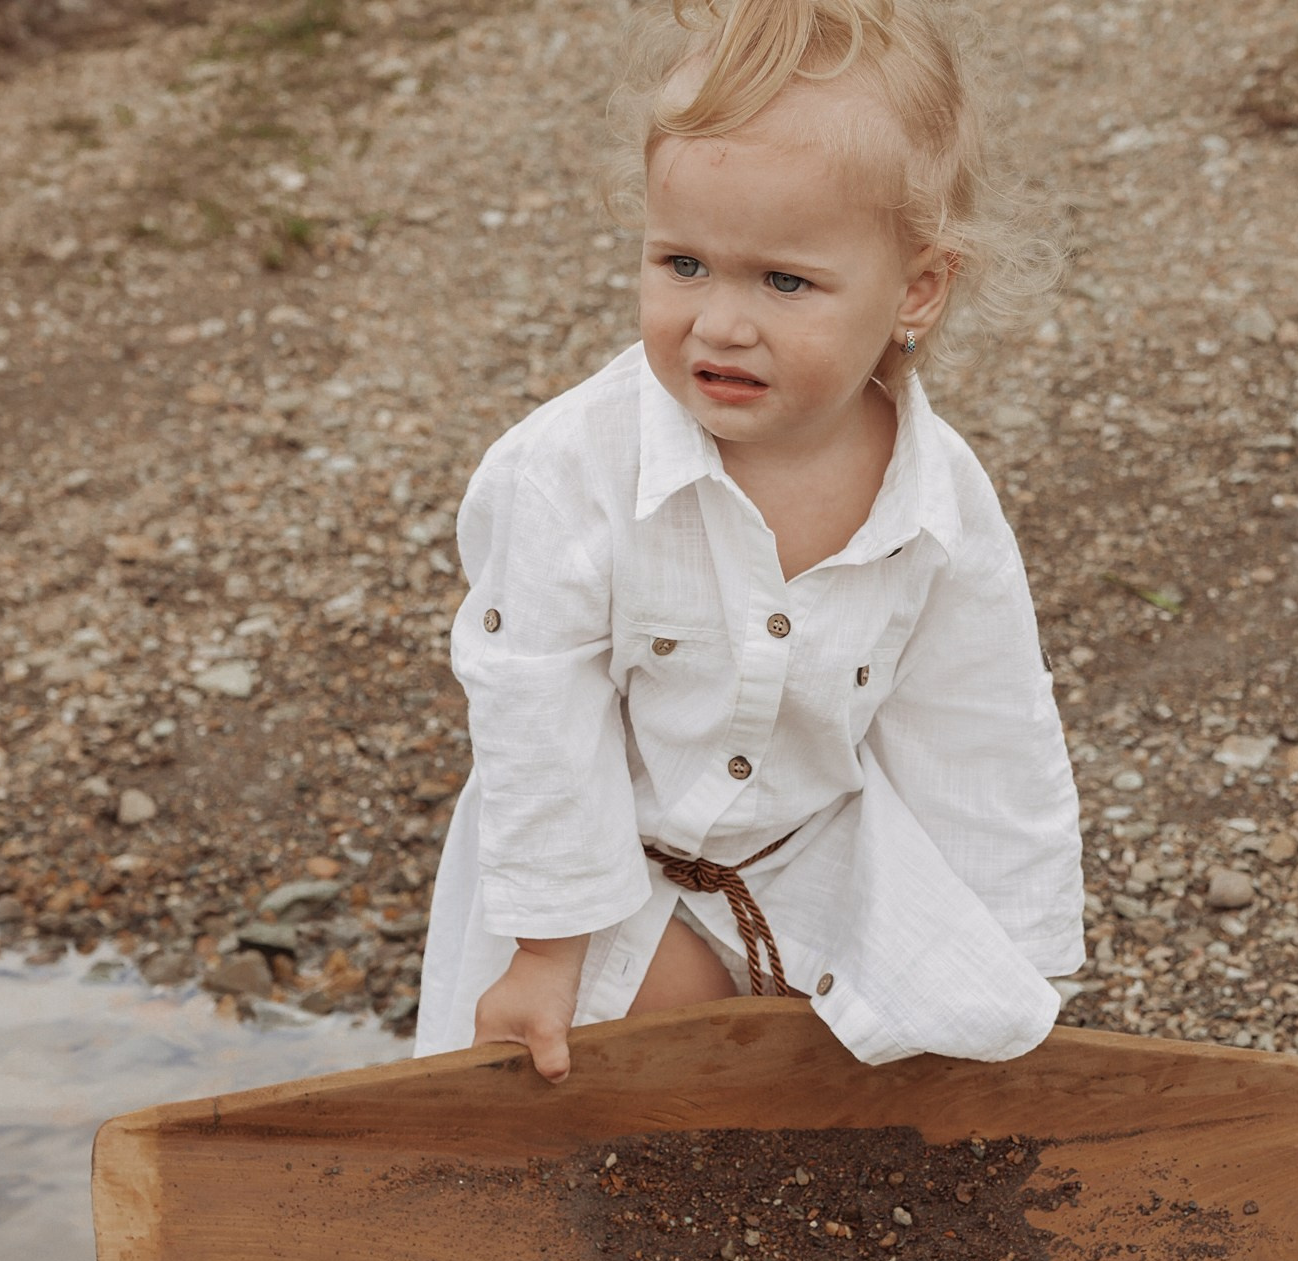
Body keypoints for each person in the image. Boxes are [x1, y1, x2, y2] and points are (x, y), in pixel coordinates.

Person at [413, 0, 1083, 1080]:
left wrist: (1019, 962)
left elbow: (983, 729)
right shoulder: (572, 470)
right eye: (682, 264)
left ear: (916, 289)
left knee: (873, 1077)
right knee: (614, 1084)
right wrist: (546, 951)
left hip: (810, 861)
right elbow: (535, 704)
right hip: (606, 874)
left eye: (784, 281)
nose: (720, 323)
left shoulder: (935, 500)